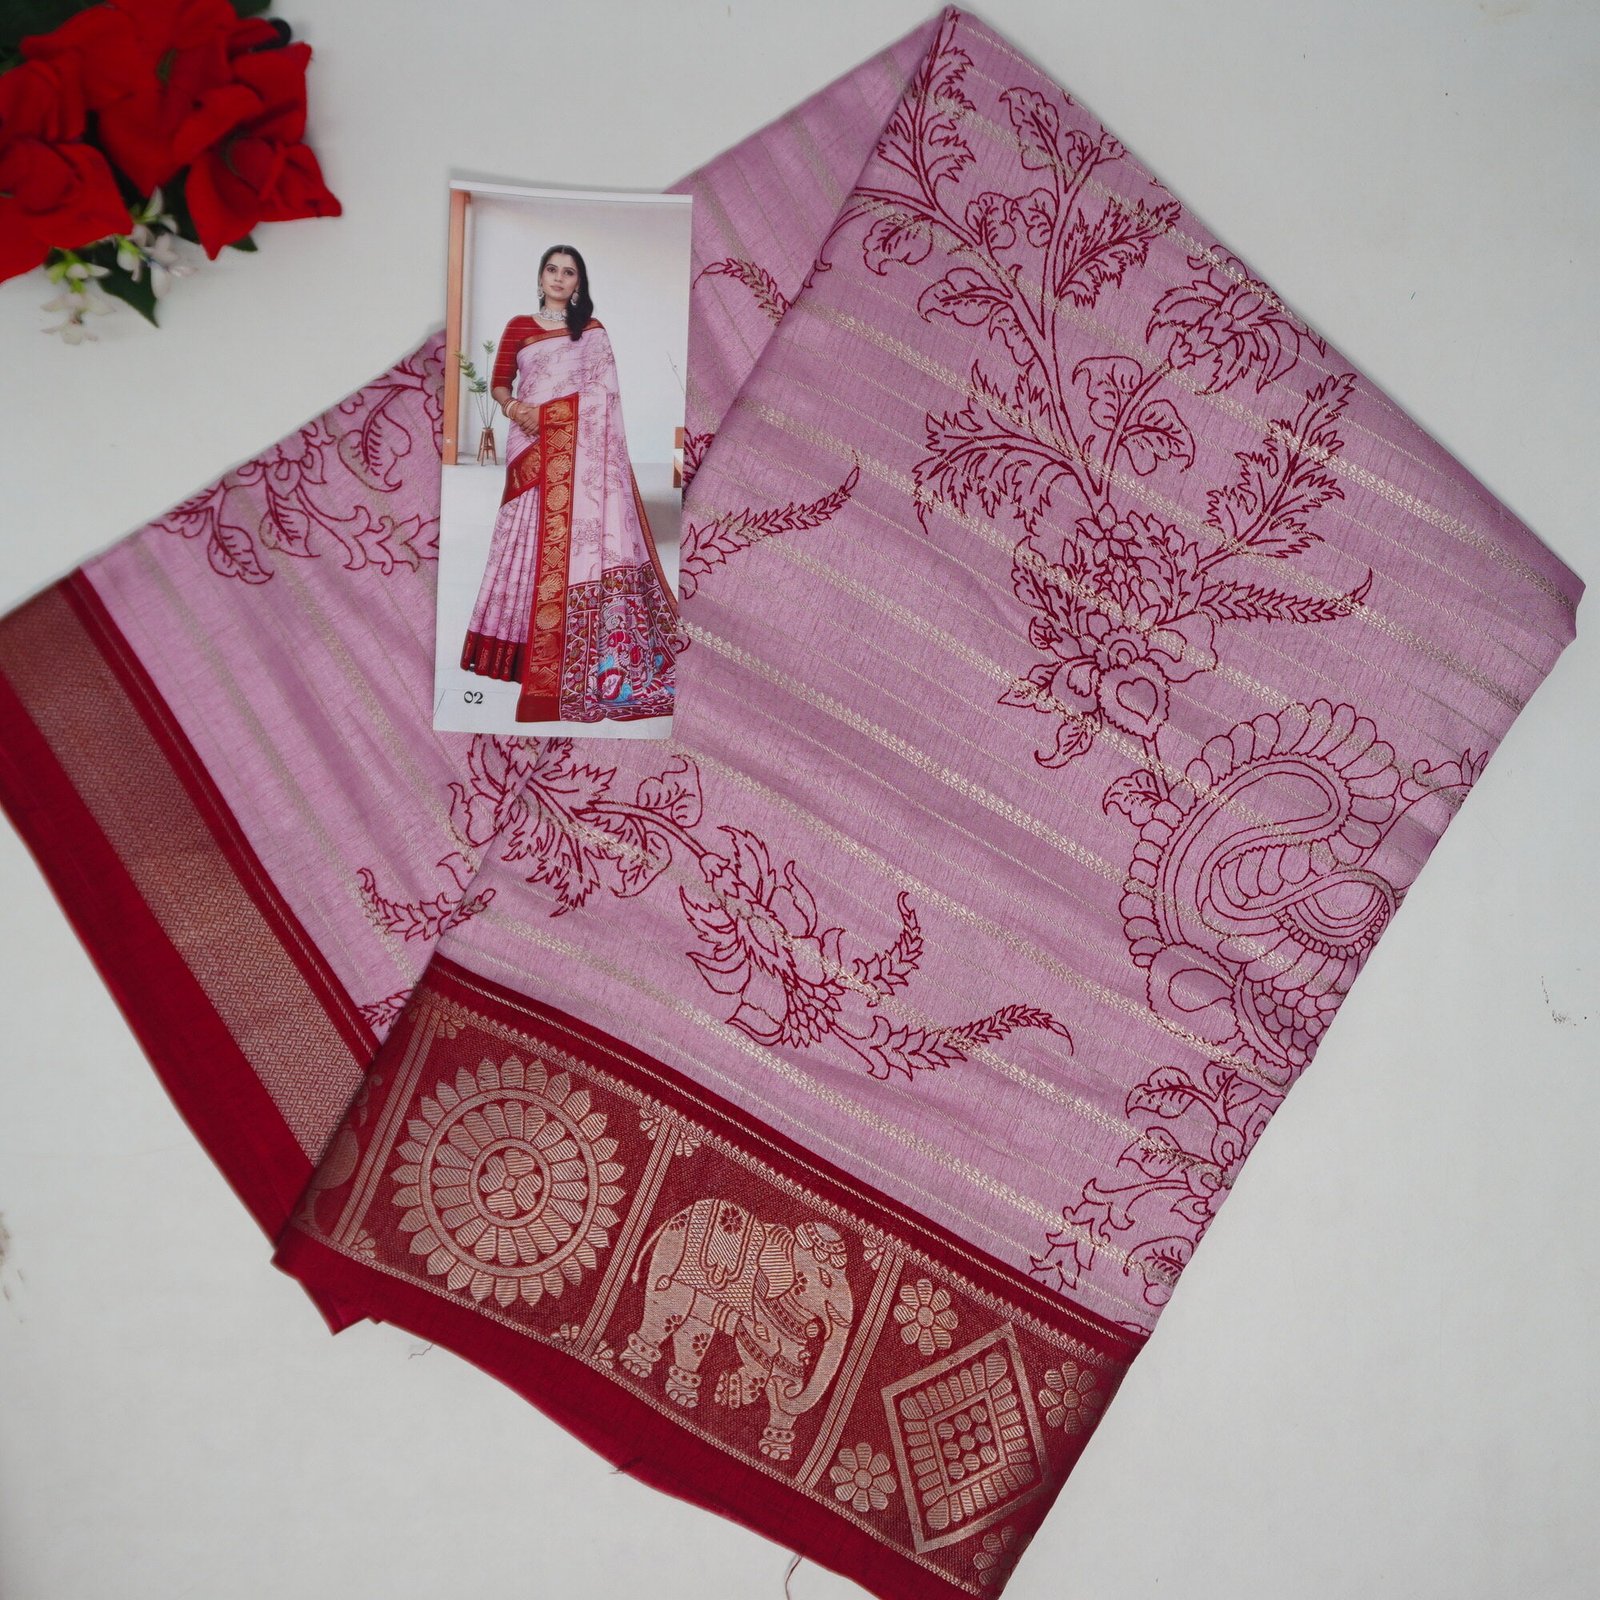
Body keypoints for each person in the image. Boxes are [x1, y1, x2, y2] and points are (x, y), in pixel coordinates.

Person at [461, 244, 682, 723]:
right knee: (521, 535)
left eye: (569, 272)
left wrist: (548, 416)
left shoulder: (593, 332)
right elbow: (500, 382)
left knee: (571, 540)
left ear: (578, 283)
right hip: (527, 444)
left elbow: (604, 395)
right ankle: (514, 651)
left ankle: (571, 655)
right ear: (540, 276)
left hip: (579, 450)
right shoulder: (518, 327)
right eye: (552, 269)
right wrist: (514, 408)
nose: (559, 278)